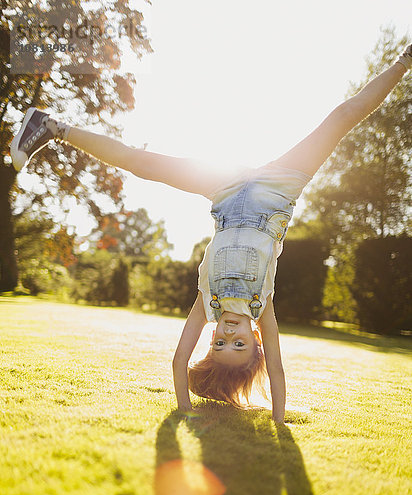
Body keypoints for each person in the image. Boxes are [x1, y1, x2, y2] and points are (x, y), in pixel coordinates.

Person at [11, 45, 411, 422]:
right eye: (240, 345)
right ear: (255, 339)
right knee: (341, 119)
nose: (229, 336)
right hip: (279, 188)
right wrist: (278, 420)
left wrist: (183, 407)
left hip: (226, 188)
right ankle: (405, 60)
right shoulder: (262, 306)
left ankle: (50, 126)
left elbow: (179, 360)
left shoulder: (207, 303)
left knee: (141, 163)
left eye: (219, 344)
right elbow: (276, 368)